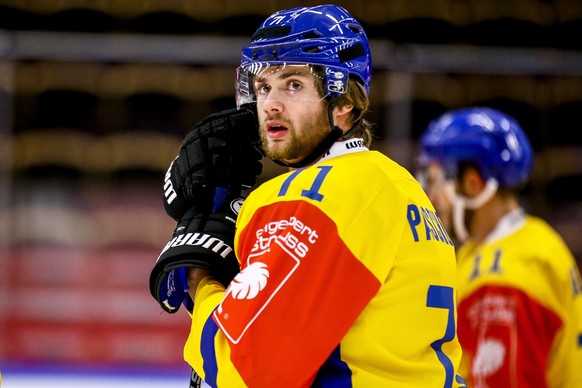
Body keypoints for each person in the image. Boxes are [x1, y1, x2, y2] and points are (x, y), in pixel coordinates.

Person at [150, 5, 466, 387]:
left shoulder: (313, 195)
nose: (271, 104)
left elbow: (249, 372)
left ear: (345, 102)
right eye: (264, 86)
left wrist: (202, 281)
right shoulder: (398, 185)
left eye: (293, 84)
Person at [418, 106, 582, 387]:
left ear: (473, 184)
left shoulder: (504, 281)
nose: (430, 196)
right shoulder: (532, 240)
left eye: (435, 181)